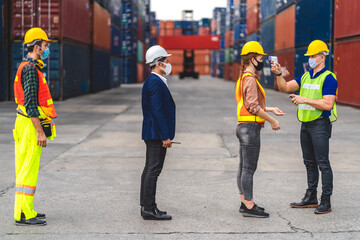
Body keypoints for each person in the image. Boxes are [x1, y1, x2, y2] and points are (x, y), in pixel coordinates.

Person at [271, 40, 338, 214]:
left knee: (323, 163)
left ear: (322, 57)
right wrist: (279, 73)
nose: (310, 59)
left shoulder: (329, 78)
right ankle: (311, 197)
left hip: (320, 125)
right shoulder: (306, 76)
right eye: (309, 56)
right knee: (309, 162)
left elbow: (328, 104)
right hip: (306, 125)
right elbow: (285, 87)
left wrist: (304, 99)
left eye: (313, 56)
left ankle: (326, 201)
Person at [235, 41, 285, 218]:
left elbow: (249, 104)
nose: (262, 60)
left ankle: (244, 202)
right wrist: (272, 121)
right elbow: (254, 107)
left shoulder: (243, 77)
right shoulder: (250, 79)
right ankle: (249, 206)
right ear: (253, 59)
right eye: (260, 57)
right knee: (249, 169)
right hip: (250, 129)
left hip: (243, 126)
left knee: (243, 167)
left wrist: (271, 109)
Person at [13, 28, 57, 226]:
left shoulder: (28, 66)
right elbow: (31, 103)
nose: (48, 49)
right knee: (27, 169)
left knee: (26, 168)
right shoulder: (30, 69)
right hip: (29, 124)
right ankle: (23, 214)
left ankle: (26, 209)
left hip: (24, 122)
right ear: (37, 47)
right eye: (46, 46)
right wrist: (39, 131)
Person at [140, 45, 175, 220]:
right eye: (166, 61)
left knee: (150, 169)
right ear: (159, 63)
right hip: (156, 134)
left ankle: (147, 206)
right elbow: (157, 111)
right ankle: (149, 209)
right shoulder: (154, 82)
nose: (169, 64)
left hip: (153, 132)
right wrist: (165, 136)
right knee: (153, 170)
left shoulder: (155, 81)